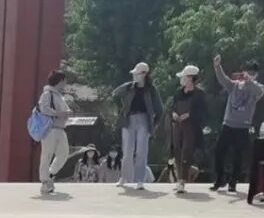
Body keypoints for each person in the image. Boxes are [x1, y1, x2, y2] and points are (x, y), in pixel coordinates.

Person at [211, 56, 264, 194]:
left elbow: (259, 92)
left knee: (238, 155)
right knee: (219, 151)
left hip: (243, 126)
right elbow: (223, 80)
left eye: (252, 73)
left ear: (256, 75)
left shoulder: (257, 88)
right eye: (248, 72)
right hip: (228, 124)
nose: (249, 75)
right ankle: (220, 178)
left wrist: (249, 81)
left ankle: (233, 182)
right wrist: (217, 66)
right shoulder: (234, 85)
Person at [113, 62, 163, 190]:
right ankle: (124, 177)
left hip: (144, 120)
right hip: (129, 119)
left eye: (137, 74)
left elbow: (159, 109)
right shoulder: (128, 87)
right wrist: (121, 110)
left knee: (141, 151)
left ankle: (140, 179)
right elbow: (115, 94)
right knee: (127, 150)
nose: (134, 76)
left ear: (144, 74)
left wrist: (154, 124)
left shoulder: (151, 90)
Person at [169, 65, 209, 194]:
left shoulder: (200, 94)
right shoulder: (178, 92)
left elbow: (203, 112)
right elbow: (172, 106)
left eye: (184, 77)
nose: (182, 79)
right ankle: (178, 178)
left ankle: (183, 180)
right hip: (177, 126)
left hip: (191, 127)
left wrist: (189, 114)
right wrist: (174, 113)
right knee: (177, 151)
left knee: (186, 152)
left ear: (191, 78)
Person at [38, 70, 73, 195]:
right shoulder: (47, 94)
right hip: (50, 129)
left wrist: (67, 113)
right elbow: (44, 109)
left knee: (64, 153)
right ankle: (45, 181)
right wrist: (58, 113)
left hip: (61, 128)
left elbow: (64, 110)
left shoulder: (59, 96)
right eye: (65, 80)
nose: (66, 83)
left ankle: (50, 174)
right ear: (60, 80)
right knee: (47, 155)